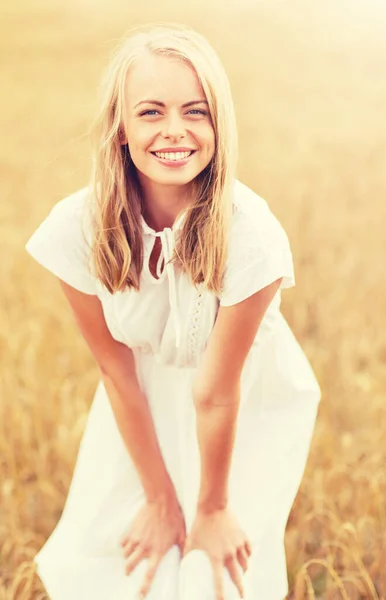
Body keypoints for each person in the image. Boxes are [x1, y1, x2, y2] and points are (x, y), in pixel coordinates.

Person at [25, 22, 322, 600]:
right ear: (120, 129)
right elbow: (116, 370)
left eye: (196, 111)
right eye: (151, 112)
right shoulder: (77, 228)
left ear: (219, 124)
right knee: (123, 568)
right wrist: (160, 497)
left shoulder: (250, 235)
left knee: (213, 577)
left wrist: (210, 508)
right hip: (139, 403)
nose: (175, 131)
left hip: (241, 407)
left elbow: (216, 392)